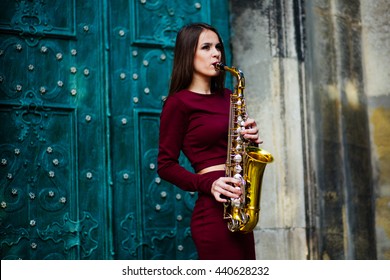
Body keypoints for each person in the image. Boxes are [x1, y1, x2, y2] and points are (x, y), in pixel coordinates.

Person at [157, 23, 262, 260]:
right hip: (213, 215)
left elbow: (240, 150)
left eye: (218, 47)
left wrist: (251, 139)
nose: (216, 53)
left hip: (240, 209)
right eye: (206, 47)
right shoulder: (178, 103)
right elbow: (165, 165)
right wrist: (208, 184)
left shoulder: (229, 97)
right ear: (188, 54)